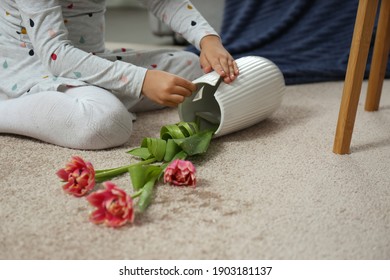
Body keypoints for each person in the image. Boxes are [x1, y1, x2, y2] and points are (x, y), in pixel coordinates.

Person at [0, 0, 239, 149]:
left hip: (91, 61)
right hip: (37, 71)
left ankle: (93, 96)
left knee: (195, 69)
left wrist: (208, 40)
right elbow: (55, 55)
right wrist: (141, 80)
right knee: (107, 123)